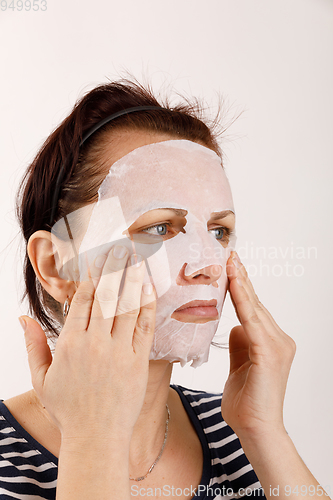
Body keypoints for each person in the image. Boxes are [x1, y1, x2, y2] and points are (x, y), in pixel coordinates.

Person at [0, 80, 329, 500]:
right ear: (55, 265)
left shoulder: (240, 433)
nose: (209, 265)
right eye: (160, 227)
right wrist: (94, 437)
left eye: (218, 231)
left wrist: (265, 433)